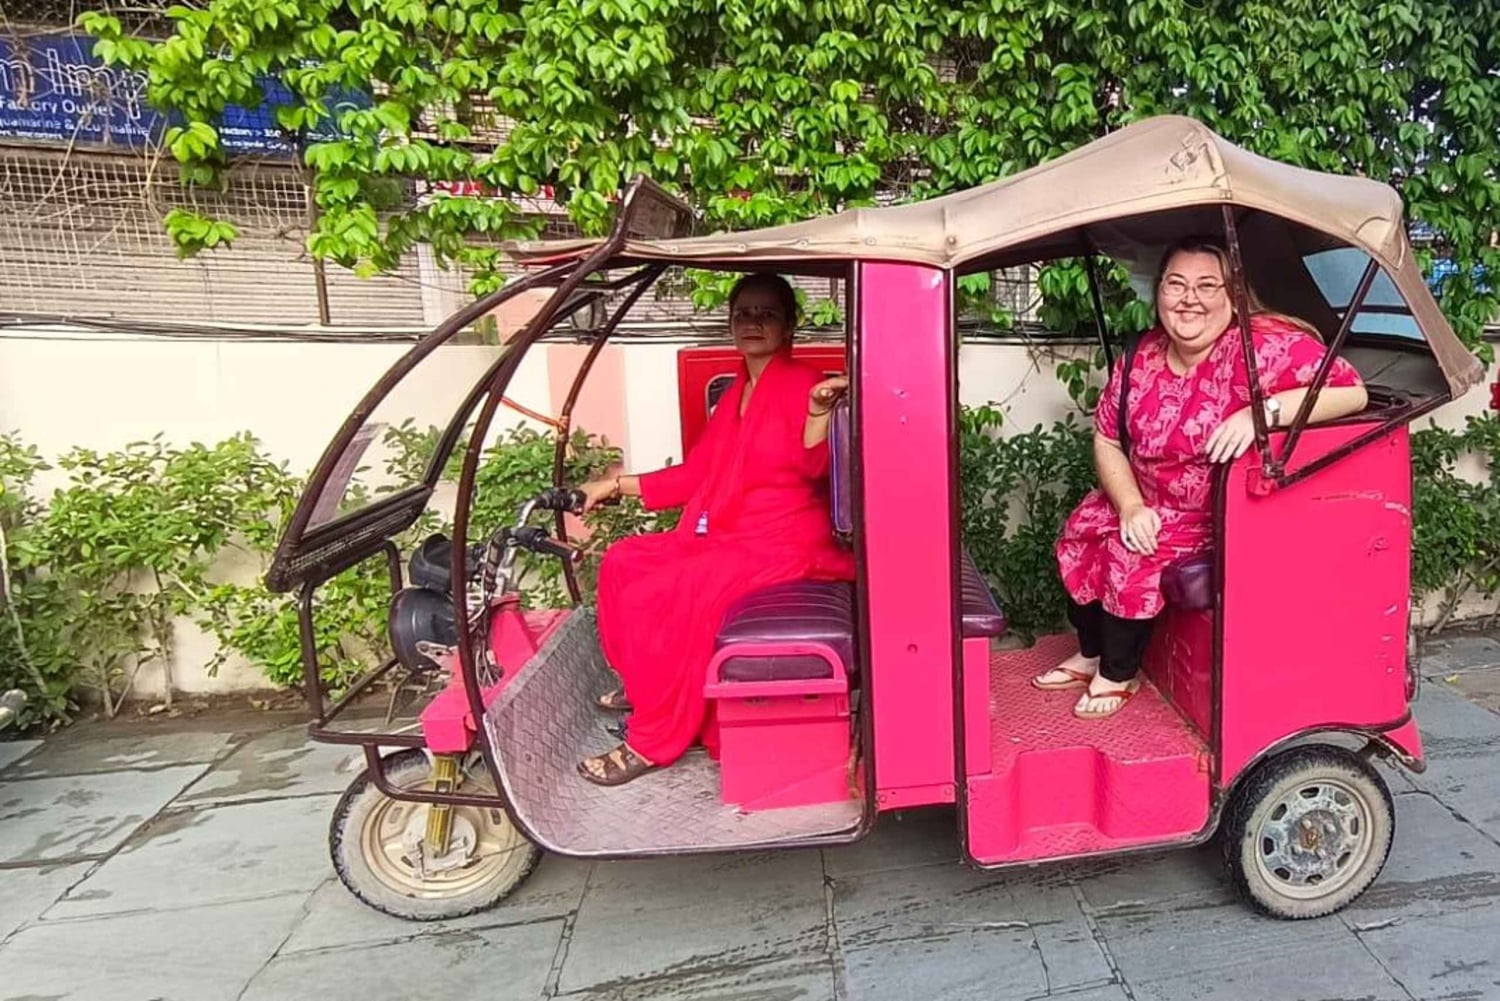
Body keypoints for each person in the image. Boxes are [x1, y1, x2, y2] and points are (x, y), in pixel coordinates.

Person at [1035, 236, 1368, 719]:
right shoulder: (1141, 357)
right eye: (1176, 284)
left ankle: (1118, 672)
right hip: (1144, 499)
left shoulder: (1264, 347)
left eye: (1207, 285)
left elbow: (1350, 391)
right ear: (1159, 294)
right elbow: (1107, 438)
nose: (1190, 298)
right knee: (1084, 529)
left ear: (1232, 295)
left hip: (1213, 516)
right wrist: (1129, 504)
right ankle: (1090, 653)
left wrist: (1261, 413)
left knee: (1133, 550)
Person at [573, 273, 854, 785]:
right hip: (734, 533)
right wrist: (612, 487)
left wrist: (818, 414)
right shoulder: (738, 390)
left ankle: (652, 738)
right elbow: (696, 472)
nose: (753, 322)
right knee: (623, 562)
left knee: (677, 587)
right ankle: (648, 683)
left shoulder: (804, 383)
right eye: (743, 313)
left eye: (766, 313)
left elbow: (817, 466)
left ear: (790, 323)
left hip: (784, 540)